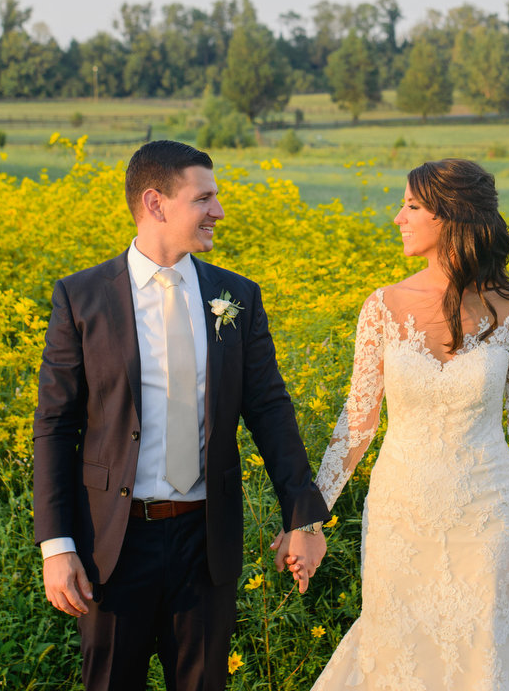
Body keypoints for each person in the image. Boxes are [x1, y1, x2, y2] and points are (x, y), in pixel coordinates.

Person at [34, 140, 329, 691]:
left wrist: (302, 516)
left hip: (204, 543)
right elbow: (55, 426)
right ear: (156, 203)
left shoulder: (236, 297)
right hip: (111, 547)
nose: (218, 211)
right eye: (205, 198)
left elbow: (269, 410)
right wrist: (57, 546)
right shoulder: (82, 298)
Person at [301, 158, 509, 690]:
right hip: (399, 518)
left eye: (411, 206)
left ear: (449, 217)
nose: (397, 217)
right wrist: (309, 519)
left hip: (490, 517)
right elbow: (356, 425)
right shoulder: (381, 307)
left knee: (487, 651)